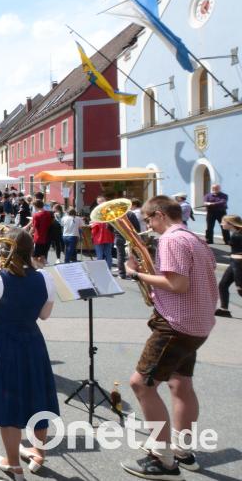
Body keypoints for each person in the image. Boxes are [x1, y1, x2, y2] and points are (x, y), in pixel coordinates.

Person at [120, 195, 218, 478]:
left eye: (149, 219)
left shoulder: (171, 240)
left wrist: (136, 275)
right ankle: (183, 451)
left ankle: (162, 459)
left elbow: (177, 283)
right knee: (180, 384)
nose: (148, 225)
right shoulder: (194, 237)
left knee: (142, 384)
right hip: (197, 322)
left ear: (160, 214)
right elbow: (201, 273)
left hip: (177, 324)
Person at [0, 228, 59, 480]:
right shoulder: (45, 277)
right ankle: (38, 452)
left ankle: (13, 464)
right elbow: (44, 315)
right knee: (36, 395)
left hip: (1, 341)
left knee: (7, 401)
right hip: (31, 341)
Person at [216, 215, 242, 318]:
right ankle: (224, 309)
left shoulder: (236, 235)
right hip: (234, 262)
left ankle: (224, 308)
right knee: (223, 284)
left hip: (237, 263)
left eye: (223, 222)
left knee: (240, 289)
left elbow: (238, 256)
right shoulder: (237, 233)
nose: (221, 224)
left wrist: (238, 277)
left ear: (230, 223)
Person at [113, 202, 142, 280]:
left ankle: (121, 274)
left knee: (120, 256)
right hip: (130, 237)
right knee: (132, 256)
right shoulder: (131, 214)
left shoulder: (113, 215)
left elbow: (109, 227)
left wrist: (116, 233)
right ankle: (133, 275)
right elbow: (137, 227)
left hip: (118, 237)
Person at [26, 199, 53, 267]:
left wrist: (28, 235)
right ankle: (42, 269)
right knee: (43, 256)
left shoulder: (36, 215)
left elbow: (34, 228)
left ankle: (37, 270)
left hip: (39, 238)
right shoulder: (48, 213)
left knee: (34, 257)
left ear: (35, 206)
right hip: (47, 237)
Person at [90, 196, 115, 269]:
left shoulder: (97, 211)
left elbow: (95, 226)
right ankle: (108, 269)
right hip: (108, 236)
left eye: (101, 201)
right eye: (99, 201)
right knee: (108, 254)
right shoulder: (110, 211)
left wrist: (92, 224)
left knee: (100, 255)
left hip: (99, 237)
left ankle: (100, 270)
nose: (100, 202)